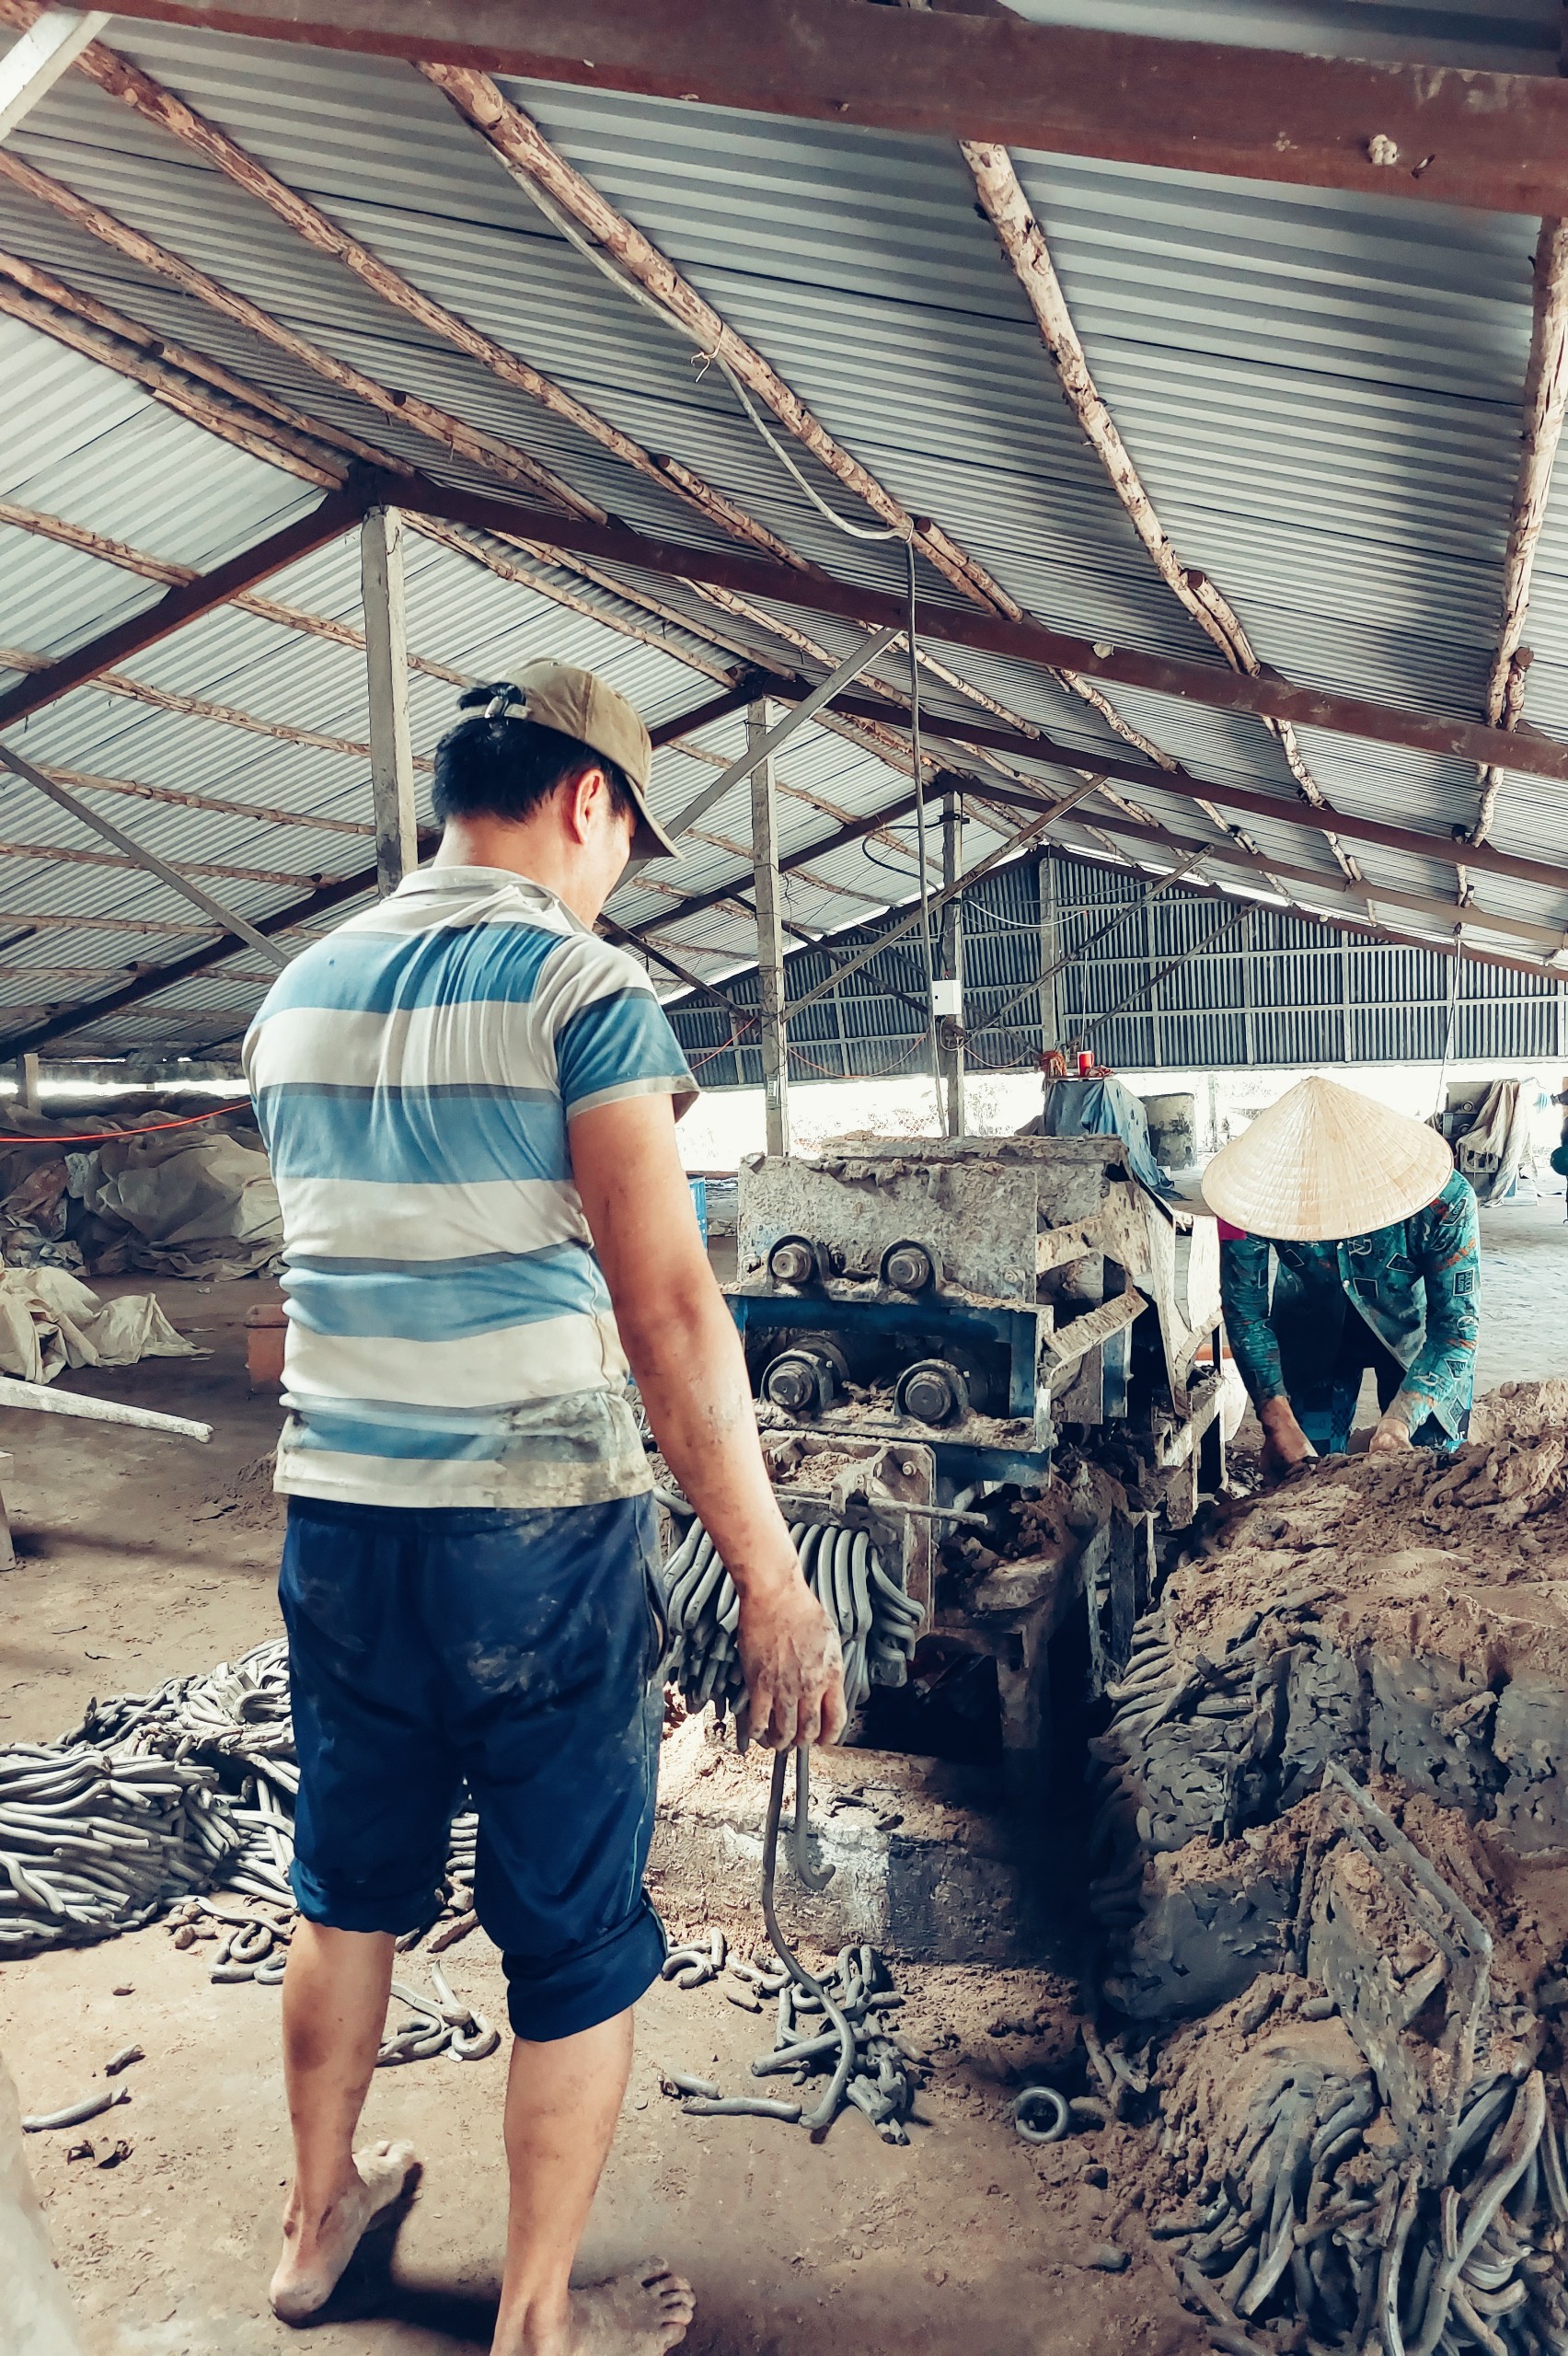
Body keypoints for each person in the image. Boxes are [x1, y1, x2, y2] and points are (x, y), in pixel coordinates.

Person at [242, 663, 845, 2356]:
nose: (615, 881)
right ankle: (531, 2319)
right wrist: (772, 1577)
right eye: (626, 845)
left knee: (344, 1887)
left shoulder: (296, 991)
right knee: (573, 1929)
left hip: (335, 1517)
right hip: (533, 1537)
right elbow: (668, 1315)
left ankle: (314, 2229)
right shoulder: (583, 985)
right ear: (590, 801)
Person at [1202, 1075, 1481, 1474]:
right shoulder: (1244, 1198)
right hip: (1311, 1325)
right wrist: (1275, 1417)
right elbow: (1245, 1312)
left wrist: (1400, 1420)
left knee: (1431, 1469)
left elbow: (1456, 1329)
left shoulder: (1446, 1201)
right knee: (1304, 1468)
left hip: (1412, 1333)